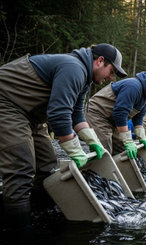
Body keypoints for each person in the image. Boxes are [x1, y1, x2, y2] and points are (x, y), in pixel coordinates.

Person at [0, 43, 126, 239]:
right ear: (100, 61)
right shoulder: (73, 67)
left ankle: (35, 213)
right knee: (21, 168)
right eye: (111, 71)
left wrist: (93, 142)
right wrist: (75, 151)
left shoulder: (84, 78)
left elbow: (76, 115)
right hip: (7, 105)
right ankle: (18, 232)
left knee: (47, 165)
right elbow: (59, 115)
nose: (111, 78)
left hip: (32, 116)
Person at [86, 71, 146, 159]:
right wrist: (128, 140)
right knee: (105, 150)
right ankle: (86, 171)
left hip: (113, 120)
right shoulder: (133, 86)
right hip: (98, 114)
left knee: (122, 150)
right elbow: (120, 113)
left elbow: (138, 118)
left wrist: (142, 137)